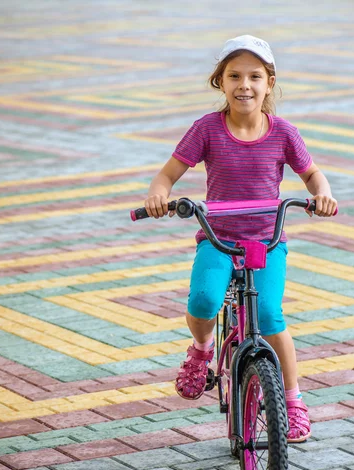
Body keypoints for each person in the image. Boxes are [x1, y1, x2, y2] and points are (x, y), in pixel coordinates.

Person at [144, 34, 337, 442]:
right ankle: (200, 350)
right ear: (221, 82)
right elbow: (168, 174)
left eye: (254, 76)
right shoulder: (207, 130)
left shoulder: (284, 132)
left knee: (269, 316)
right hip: (218, 239)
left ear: (269, 82)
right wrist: (159, 194)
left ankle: (293, 398)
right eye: (234, 76)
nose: (243, 85)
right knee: (203, 301)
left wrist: (322, 193)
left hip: (265, 242)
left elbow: (312, 174)